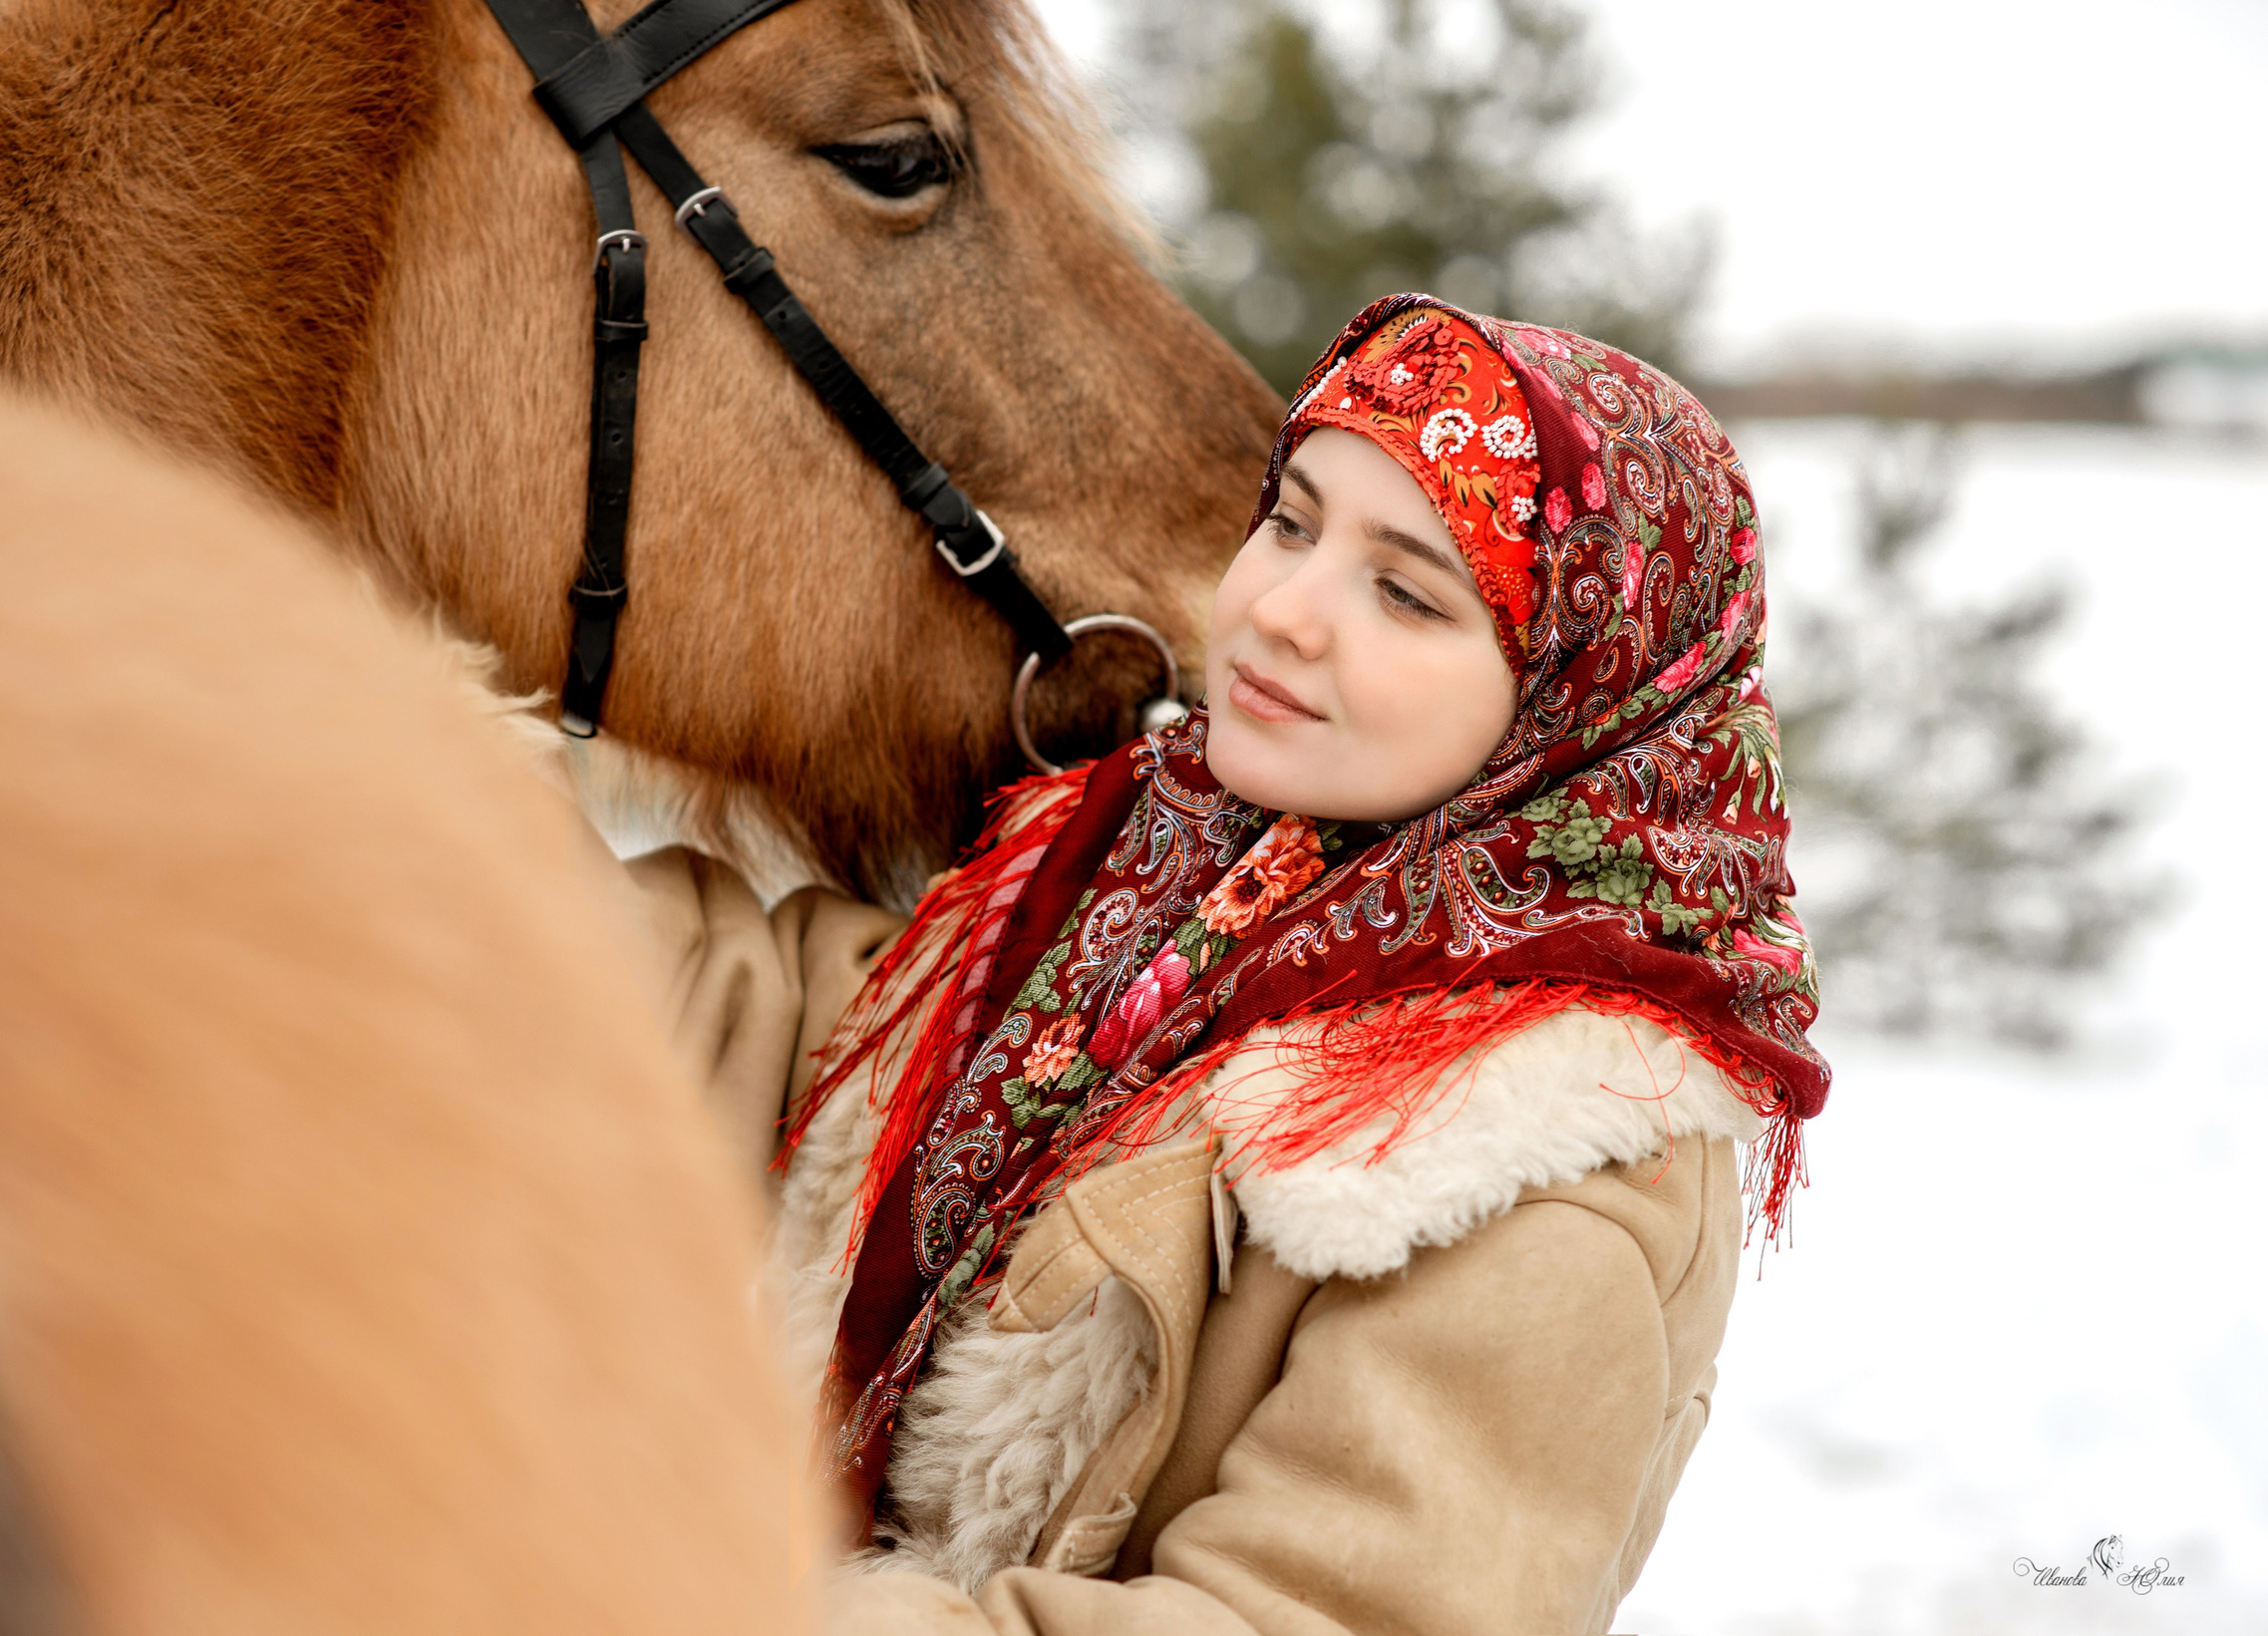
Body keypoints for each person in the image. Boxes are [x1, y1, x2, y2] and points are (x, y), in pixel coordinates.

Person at [672, 295, 1824, 1633]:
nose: (1282, 610)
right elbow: (820, 1028)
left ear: (1580, 689)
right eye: (1289, 521)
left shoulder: (1554, 1157)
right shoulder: (1157, 868)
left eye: (1406, 591)